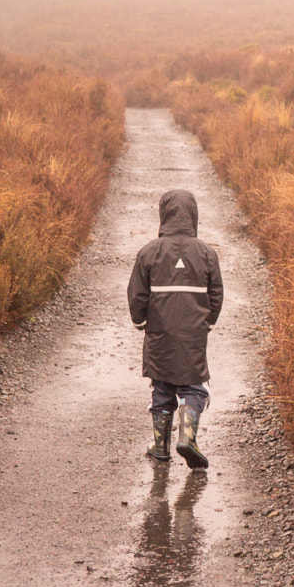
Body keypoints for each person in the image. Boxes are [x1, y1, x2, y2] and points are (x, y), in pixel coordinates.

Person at [127, 188, 223, 469]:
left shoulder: (148, 252)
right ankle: (187, 437)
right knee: (194, 385)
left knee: (161, 384)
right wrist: (208, 321)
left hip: (159, 333)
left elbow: (137, 293)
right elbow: (216, 293)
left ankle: (161, 448)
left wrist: (141, 321)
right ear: (193, 215)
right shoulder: (206, 253)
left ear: (163, 215)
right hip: (193, 334)